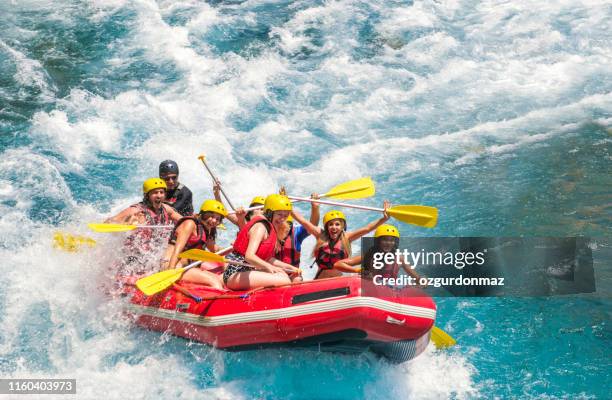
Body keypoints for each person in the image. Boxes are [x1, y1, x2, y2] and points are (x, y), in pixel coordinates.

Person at [292, 202, 391, 279]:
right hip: (320, 278)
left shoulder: (347, 237)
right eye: (330, 224)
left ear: (343, 226)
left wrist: (384, 219)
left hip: (338, 279)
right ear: (326, 227)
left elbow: (367, 228)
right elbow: (303, 221)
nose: (334, 227)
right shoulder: (320, 235)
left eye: (337, 224)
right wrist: (287, 205)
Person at [223, 194, 301, 290]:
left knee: (283, 275)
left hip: (247, 271)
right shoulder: (260, 227)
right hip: (235, 273)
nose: (282, 219)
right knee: (284, 281)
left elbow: (268, 259)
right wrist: (269, 267)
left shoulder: (270, 228)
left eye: (285, 215)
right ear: (269, 213)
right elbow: (249, 256)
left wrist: (290, 268)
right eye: (279, 214)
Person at [106, 178, 182, 274]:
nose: (159, 196)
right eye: (155, 193)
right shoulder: (135, 210)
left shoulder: (166, 209)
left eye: (161, 192)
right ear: (147, 195)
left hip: (154, 255)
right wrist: (127, 223)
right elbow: (109, 222)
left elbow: (184, 221)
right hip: (133, 256)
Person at [160, 199, 227, 289]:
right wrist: (170, 272)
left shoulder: (206, 229)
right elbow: (177, 250)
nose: (214, 220)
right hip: (173, 266)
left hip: (187, 267)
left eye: (218, 219)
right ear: (203, 214)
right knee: (214, 281)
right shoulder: (190, 224)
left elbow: (215, 249)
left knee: (219, 276)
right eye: (211, 216)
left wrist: (233, 249)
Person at [336, 225, 421, 284]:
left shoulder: (399, 258)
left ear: (395, 242)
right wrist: (357, 270)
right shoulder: (369, 256)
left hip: (390, 290)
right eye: (384, 240)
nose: (388, 243)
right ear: (378, 241)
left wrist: (421, 281)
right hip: (372, 289)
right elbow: (338, 264)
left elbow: (416, 277)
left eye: (391, 240)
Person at [276, 195, 320, 268]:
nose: (284, 226)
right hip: (273, 272)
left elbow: (312, 226)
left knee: (297, 280)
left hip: (293, 273)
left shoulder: (296, 233)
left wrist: (315, 207)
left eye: (288, 224)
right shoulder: (269, 231)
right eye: (280, 223)